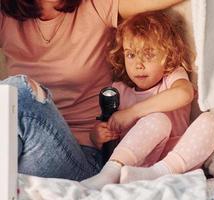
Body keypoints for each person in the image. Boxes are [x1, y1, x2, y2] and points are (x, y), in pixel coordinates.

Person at [0, 0, 187, 181]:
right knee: (11, 97)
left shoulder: (96, 5)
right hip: (19, 151)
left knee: (19, 91)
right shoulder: (5, 14)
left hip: (83, 157)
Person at [81, 11, 214, 190]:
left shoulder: (173, 77)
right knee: (157, 120)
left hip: (178, 162)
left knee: (213, 121)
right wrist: (98, 136)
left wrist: (133, 112)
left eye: (148, 54)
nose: (138, 64)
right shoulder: (119, 90)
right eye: (131, 55)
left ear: (169, 55)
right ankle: (109, 173)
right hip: (133, 167)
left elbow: (184, 94)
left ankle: (159, 173)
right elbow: (105, 132)